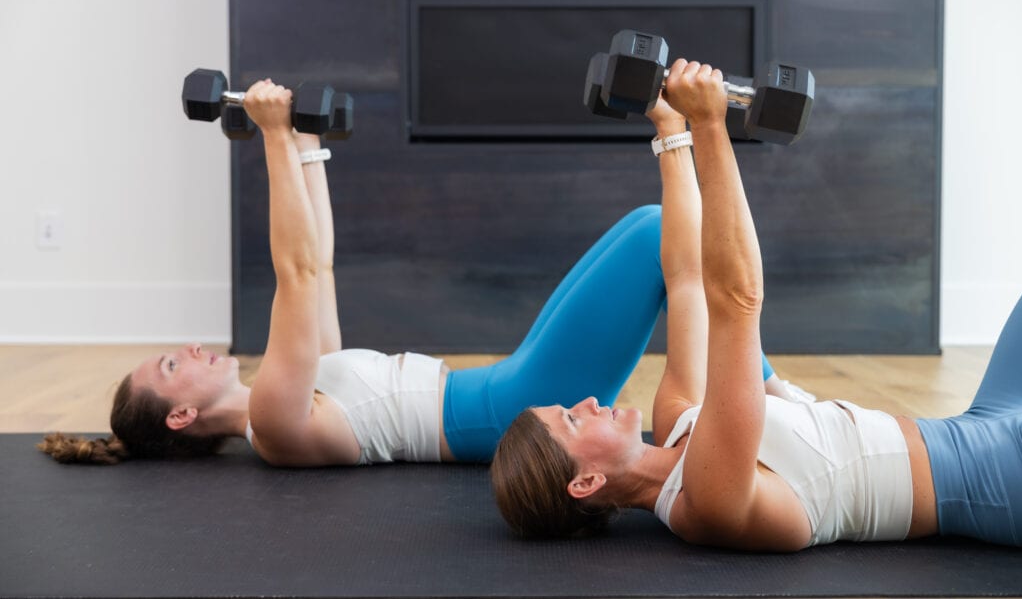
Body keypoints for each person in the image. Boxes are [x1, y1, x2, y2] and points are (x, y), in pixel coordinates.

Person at [39, 78, 808, 468]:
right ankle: (767, 394)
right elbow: (295, 272)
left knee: (650, 230)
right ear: (179, 416)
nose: (192, 350)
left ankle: (767, 390)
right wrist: (269, 134)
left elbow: (322, 266)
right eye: (173, 366)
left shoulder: (298, 381)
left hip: (499, 384)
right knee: (652, 241)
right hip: (507, 407)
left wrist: (305, 148)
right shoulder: (273, 417)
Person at [491, 59, 1022, 548]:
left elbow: (688, 280)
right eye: (572, 420)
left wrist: (670, 127)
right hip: (997, 475)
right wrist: (711, 126)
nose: (585, 402)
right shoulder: (708, 499)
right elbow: (737, 298)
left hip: (981, 420)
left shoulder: (676, 419)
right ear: (586, 481)